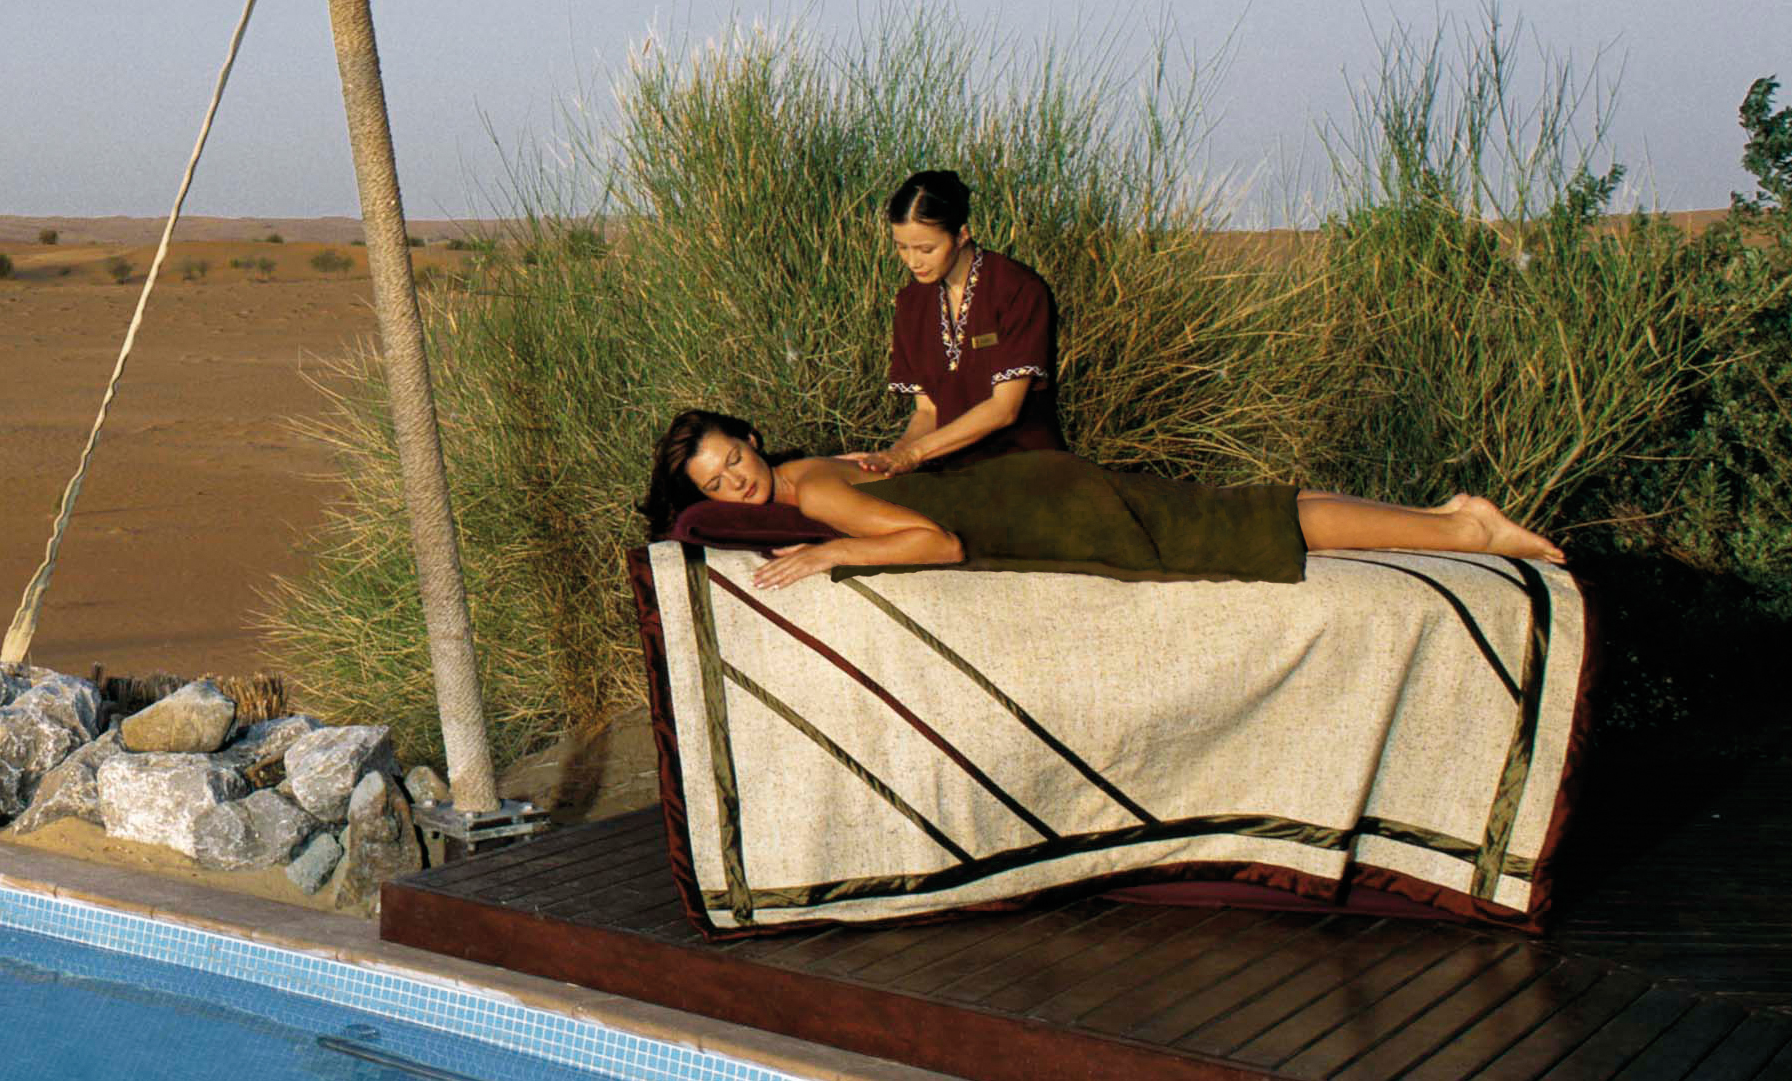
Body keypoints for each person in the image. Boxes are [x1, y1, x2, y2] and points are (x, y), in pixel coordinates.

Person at [641, 407, 1563, 594]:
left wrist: (836, 550)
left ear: (750, 439)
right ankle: (1444, 514)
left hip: (1048, 508)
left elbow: (932, 542)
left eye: (729, 459)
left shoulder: (815, 491)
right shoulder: (809, 464)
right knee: (1236, 503)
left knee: (1245, 524)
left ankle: (1458, 527)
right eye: (712, 483)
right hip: (1039, 489)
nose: (730, 484)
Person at [859, 169, 1056, 476]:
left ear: (962, 235)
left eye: (926, 249)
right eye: (902, 247)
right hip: (948, 468)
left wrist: (912, 454)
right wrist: (894, 456)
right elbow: (927, 412)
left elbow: (1004, 409)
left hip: (1022, 465)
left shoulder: (1017, 289)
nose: (913, 262)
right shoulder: (911, 303)